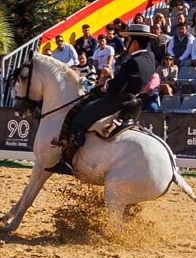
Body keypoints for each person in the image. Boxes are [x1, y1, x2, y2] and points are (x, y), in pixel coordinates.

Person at [55, 22, 156, 171]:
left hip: (117, 100)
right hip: (133, 101)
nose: (126, 43)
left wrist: (107, 80)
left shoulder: (133, 62)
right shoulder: (150, 58)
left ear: (134, 42)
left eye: (128, 41)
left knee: (78, 120)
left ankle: (69, 161)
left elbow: (115, 87)